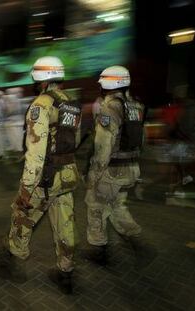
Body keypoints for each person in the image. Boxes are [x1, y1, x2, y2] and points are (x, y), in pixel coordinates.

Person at [0, 56, 81, 294]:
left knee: (22, 213)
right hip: (68, 173)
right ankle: (66, 271)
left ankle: (14, 256)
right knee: (65, 221)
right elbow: (73, 139)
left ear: (39, 78)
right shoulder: (72, 102)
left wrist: (26, 188)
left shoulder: (41, 104)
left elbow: (36, 153)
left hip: (46, 176)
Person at [84, 66, 152, 267]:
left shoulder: (110, 108)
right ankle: (136, 239)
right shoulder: (136, 106)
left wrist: (94, 174)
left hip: (112, 170)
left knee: (95, 206)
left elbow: (103, 146)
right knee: (117, 206)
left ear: (109, 83)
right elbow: (143, 139)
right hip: (130, 167)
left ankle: (99, 250)